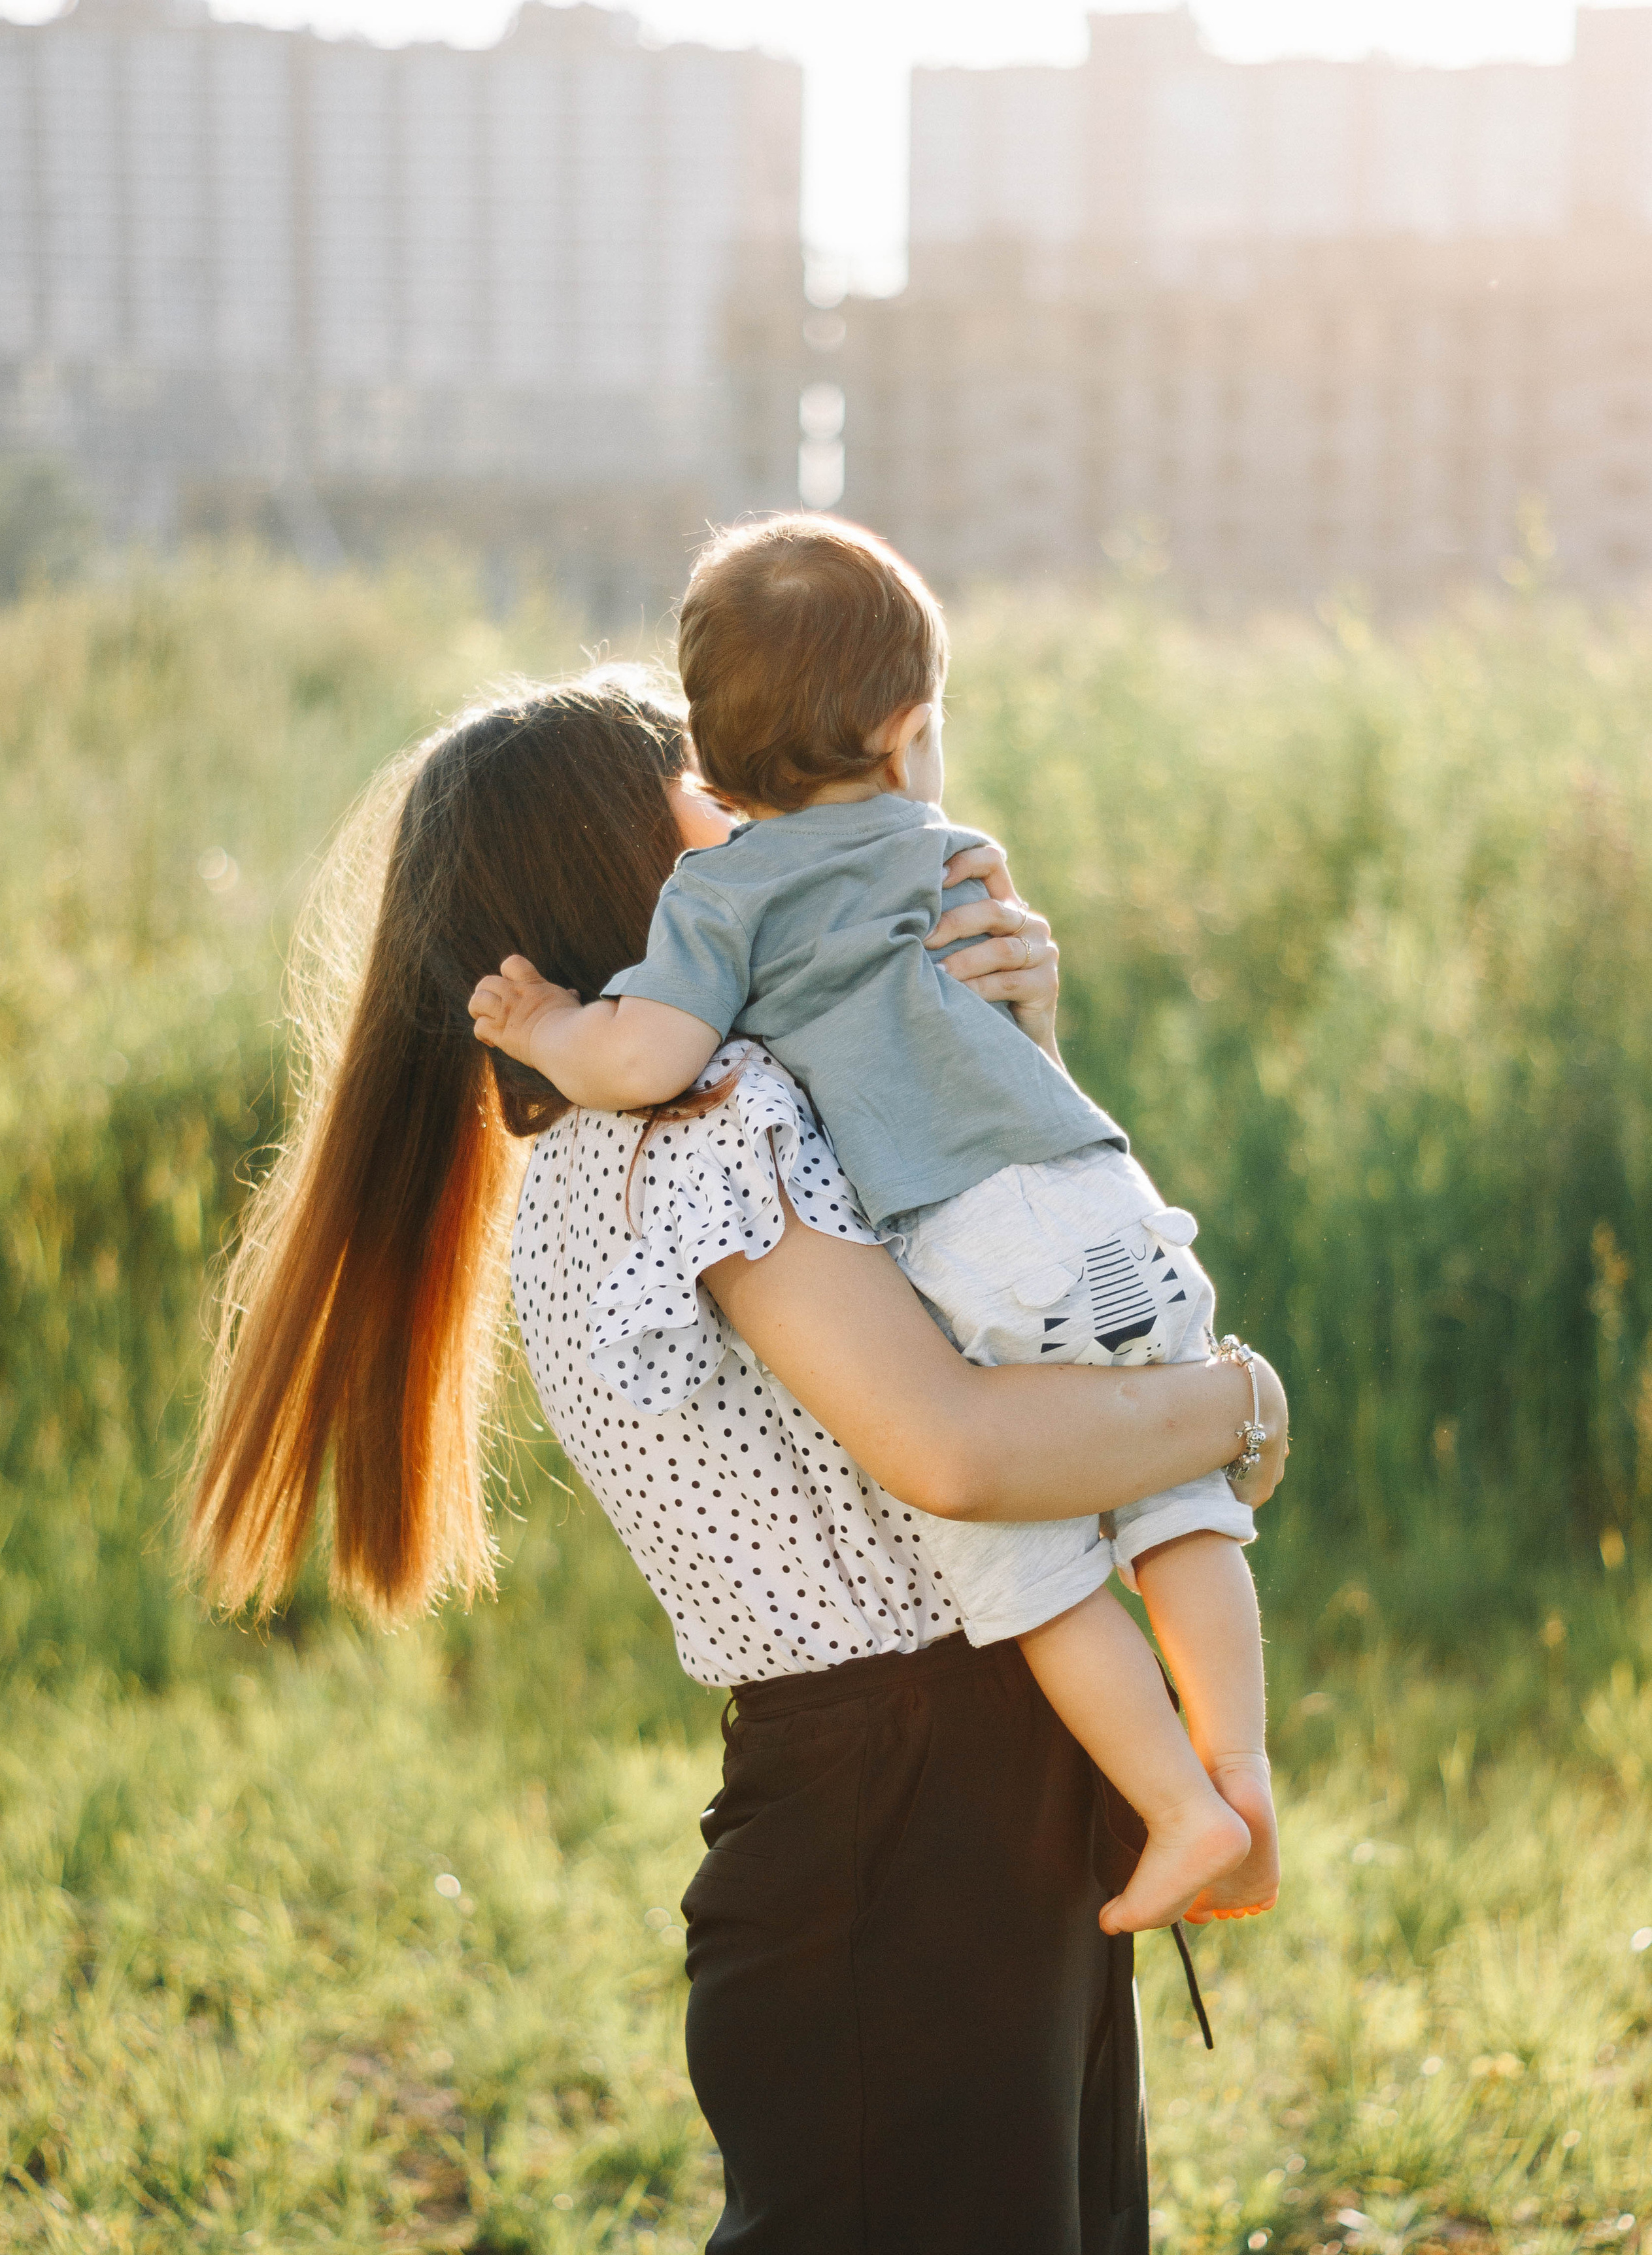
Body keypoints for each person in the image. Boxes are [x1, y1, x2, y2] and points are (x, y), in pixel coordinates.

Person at [189, 668, 1289, 2255]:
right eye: (729, 810)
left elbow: (1003, 1279)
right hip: (899, 1831)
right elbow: (956, 1443)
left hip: (958, 1809)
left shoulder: (706, 1111)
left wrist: (1012, 1037)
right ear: (666, 877)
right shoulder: (687, 1130)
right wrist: (1238, 1408)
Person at [468, 515, 1277, 1936]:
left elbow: (648, 1058)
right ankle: (1244, 1778)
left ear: (704, 782)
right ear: (909, 738)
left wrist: (548, 1027)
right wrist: (1235, 1407)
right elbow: (966, 1050)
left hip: (977, 1246)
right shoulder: (959, 853)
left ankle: (1179, 1807)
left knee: (1030, 1565)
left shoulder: (719, 900)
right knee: (1172, 1506)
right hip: (1108, 1196)